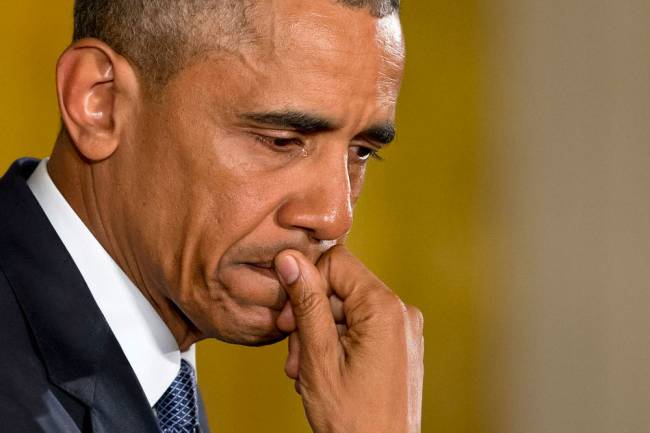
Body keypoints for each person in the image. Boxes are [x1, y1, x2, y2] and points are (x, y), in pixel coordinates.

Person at [0, 0, 424, 432]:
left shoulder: (163, 382)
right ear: (99, 102)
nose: (334, 217)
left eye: (362, 151)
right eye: (280, 140)